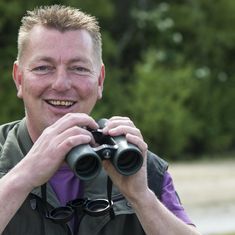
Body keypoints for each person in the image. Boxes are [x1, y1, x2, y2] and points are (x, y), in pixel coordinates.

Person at [0, 5, 201, 235]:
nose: (61, 84)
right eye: (43, 67)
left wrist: (142, 198)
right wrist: (23, 176)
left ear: (100, 81)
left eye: (79, 68)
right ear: (19, 79)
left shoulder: (141, 165)